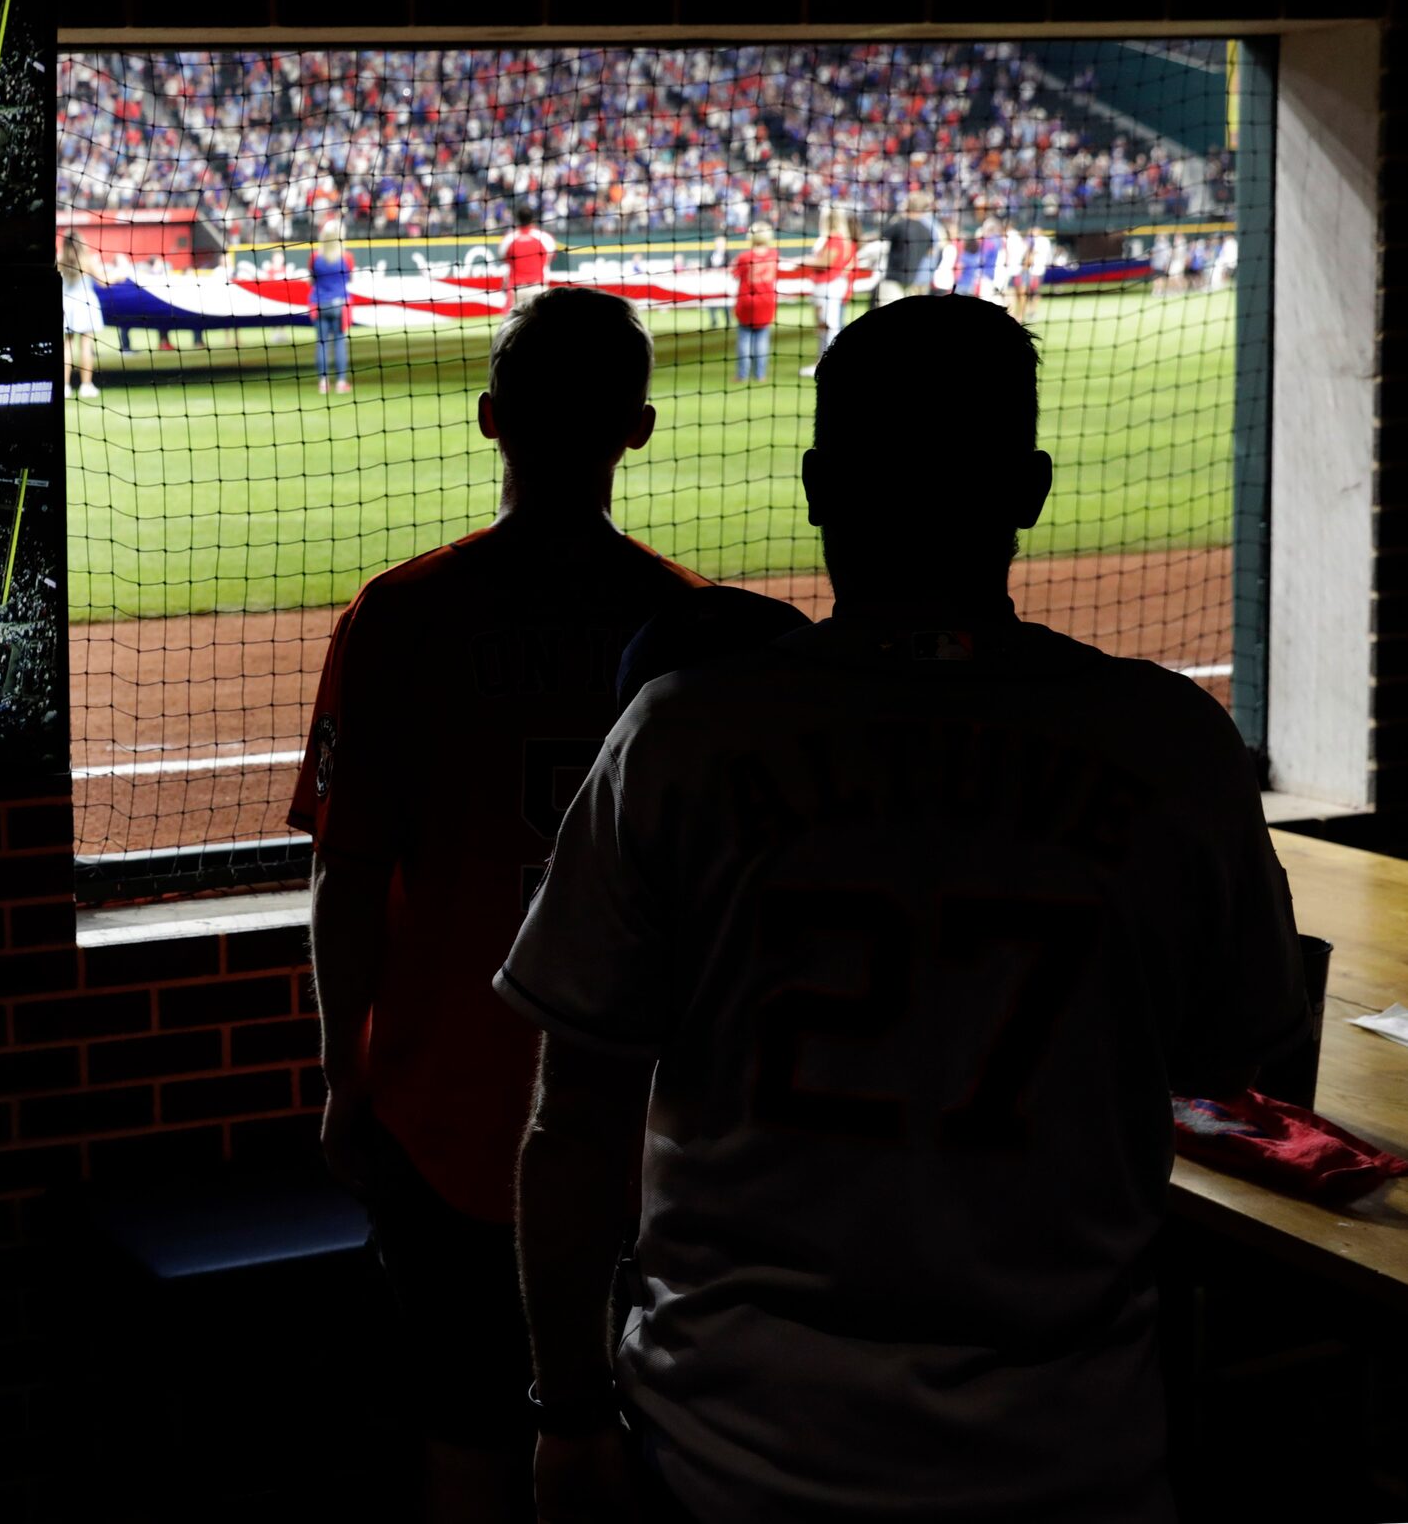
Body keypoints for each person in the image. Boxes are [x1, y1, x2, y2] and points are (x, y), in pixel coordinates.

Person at [499, 296, 1306, 1524]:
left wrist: (564, 1411)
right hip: (1069, 1456)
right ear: (1029, 490)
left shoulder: (682, 735)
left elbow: (575, 1123)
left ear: (819, 487)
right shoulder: (1174, 748)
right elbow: (1240, 1063)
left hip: (729, 1451)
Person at [297, 287, 705, 1524]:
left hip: (448, 1111)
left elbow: (348, 874)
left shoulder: (404, 615)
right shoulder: (691, 631)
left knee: (467, 1436)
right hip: (641, 1128)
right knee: (645, 1441)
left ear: (488, 420)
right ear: (636, 430)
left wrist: (342, 1076)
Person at [795, 205, 858, 374]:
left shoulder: (836, 238)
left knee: (830, 325)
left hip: (829, 285)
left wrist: (801, 260)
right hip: (830, 285)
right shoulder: (840, 238)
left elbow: (826, 263)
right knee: (826, 325)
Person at [730, 221, 781, 384]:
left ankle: (742, 375)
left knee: (744, 339)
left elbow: (734, 274)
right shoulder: (774, 255)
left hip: (747, 301)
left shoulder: (745, 256)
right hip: (767, 301)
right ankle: (760, 375)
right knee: (762, 340)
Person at [309, 217, 355, 396]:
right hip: (340, 305)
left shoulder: (315, 257)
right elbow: (350, 278)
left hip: (319, 303)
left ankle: (323, 383)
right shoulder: (346, 257)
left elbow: (312, 279)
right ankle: (341, 382)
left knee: (321, 343)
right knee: (339, 342)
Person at [61, 231, 106, 400]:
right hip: (85, 304)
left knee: (67, 346)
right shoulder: (88, 261)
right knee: (86, 346)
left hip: (66, 305)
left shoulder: (60, 260)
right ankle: (86, 386)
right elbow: (103, 282)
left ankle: (64, 386)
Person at [880, 190, 940, 305]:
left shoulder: (900, 224)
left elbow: (881, 236)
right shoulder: (930, 229)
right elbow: (932, 252)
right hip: (918, 279)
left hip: (895, 279)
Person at [501, 199, 558, 313]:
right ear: (533, 219)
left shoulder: (509, 238)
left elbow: (505, 259)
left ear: (517, 218)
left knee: (516, 325)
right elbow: (550, 259)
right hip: (538, 286)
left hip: (517, 288)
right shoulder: (544, 237)